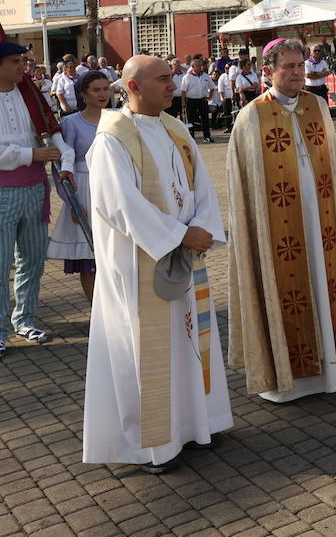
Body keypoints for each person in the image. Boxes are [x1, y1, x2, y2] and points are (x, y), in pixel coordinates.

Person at [83, 55, 232, 474]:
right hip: (137, 263)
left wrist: (201, 226)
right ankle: (153, 445)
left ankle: (195, 426)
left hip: (182, 256)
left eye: (172, 76)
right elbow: (117, 203)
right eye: (163, 79)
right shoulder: (112, 137)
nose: (173, 84)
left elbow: (202, 185)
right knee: (145, 350)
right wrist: (180, 234)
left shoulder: (175, 127)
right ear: (133, 87)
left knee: (187, 342)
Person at [226, 38, 336, 402]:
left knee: (322, 281)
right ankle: (285, 375)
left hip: (319, 216)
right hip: (277, 225)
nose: (296, 72)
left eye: (299, 65)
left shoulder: (317, 106)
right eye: (287, 66)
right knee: (285, 287)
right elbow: (243, 183)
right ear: (268, 71)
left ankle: (327, 368)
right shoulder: (251, 116)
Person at [0, 41, 75, 359]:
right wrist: (30, 154)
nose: (22, 66)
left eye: (22, 60)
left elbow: (55, 135)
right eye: (14, 61)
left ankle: (24, 320)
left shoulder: (31, 97)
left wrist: (65, 160)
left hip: (35, 190)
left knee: (33, 261)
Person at [47, 70, 111, 303]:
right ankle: (97, 310)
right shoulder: (71, 122)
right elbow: (63, 165)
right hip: (84, 189)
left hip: (112, 189)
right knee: (89, 258)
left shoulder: (116, 119)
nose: (103, 94)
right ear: (83, 94)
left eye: (106, 88)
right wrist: (72, 202)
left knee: (114, 254)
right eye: (96, 89)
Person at [180, 56, 216, 143]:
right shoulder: (187, 77)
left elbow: (212, 87)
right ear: (193, 67)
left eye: (201, 65)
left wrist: (210, 96)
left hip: (202, 100)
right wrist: (183, 102)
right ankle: (191, 137)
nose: (201, 67)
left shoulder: (206, 76)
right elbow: (183, 91)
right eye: (198, 65)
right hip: (191, 100)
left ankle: (207, 136)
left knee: (205, 119)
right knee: (191, 119)